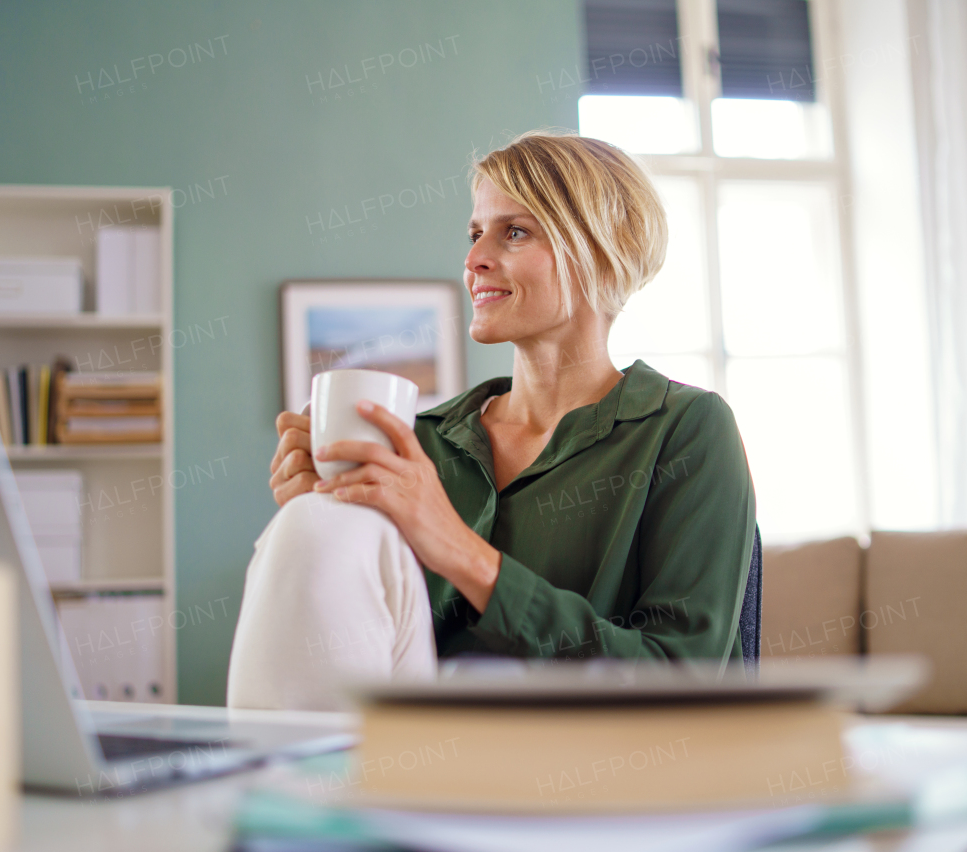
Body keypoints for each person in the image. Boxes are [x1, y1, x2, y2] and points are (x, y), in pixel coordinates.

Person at [226, 131, 756, 710]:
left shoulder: (684, 428)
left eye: (516, 232)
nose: (474, 259)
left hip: (588, 753)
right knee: (313, 524)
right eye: (476, 233)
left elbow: (682, 683)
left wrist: (460, 551)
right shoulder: (420, 443)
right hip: (412, 745)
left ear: (602, 251)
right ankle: (294, 796)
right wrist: (328, 517)